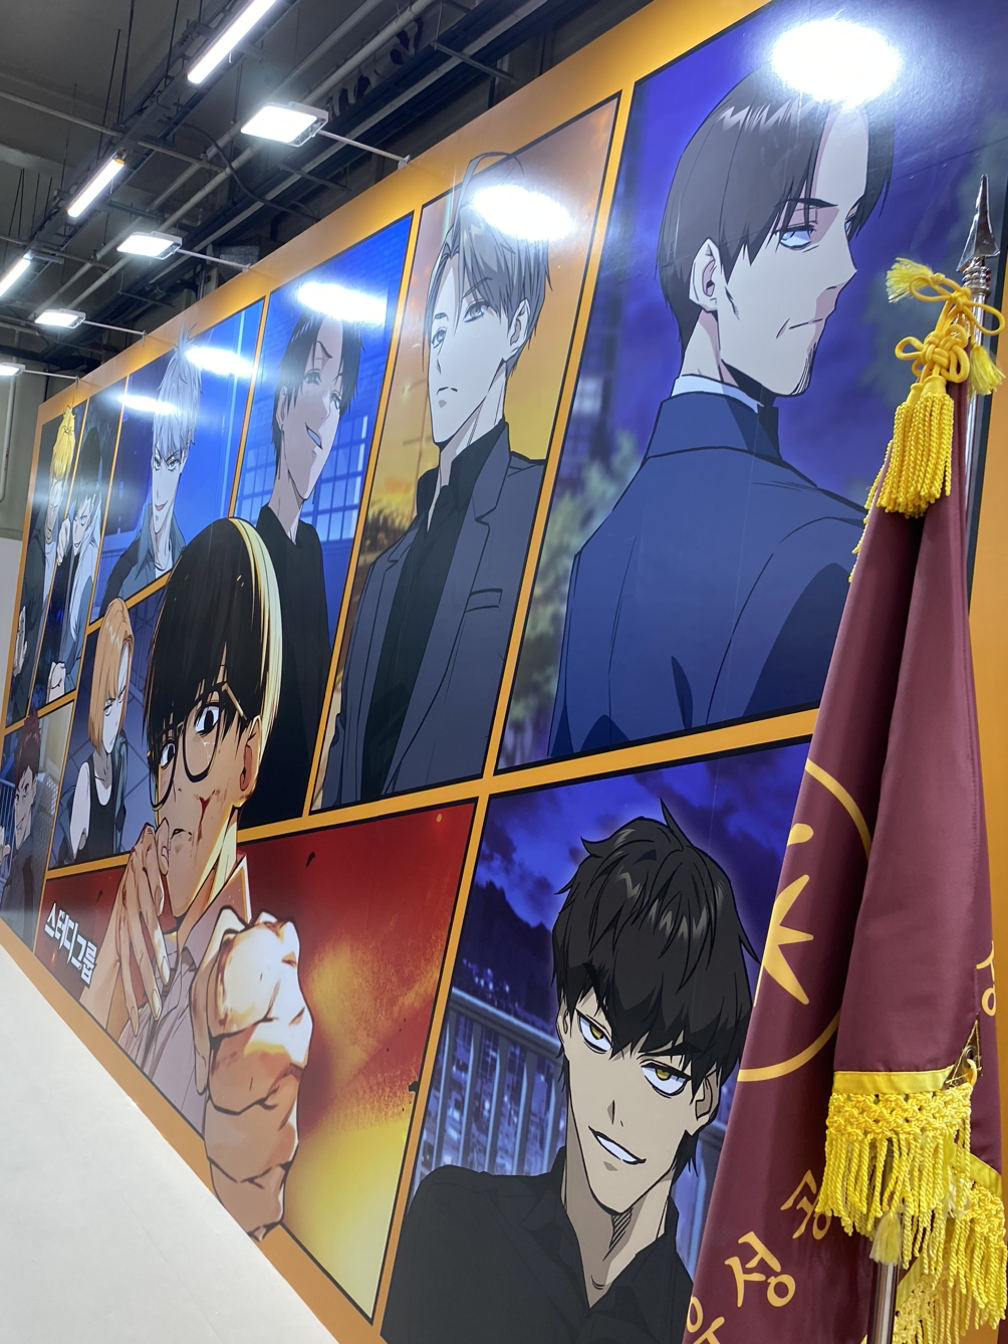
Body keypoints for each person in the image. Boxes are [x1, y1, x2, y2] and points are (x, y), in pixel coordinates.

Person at [550, 67, 895, 758]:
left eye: (851, 224)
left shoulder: (597, 557)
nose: (845, 268)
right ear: (709, 276)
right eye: (802, 228)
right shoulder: (830, 546)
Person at [384, 804, 753, 1344]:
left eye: (661, 1072)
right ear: (564, 1023)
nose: (617, 1107)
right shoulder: (452, 1222)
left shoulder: (693, 1332)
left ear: (704, 1099)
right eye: (598, 1036)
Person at [80, 518, 312, 1240]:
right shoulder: (140, 924)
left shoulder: (251, 980)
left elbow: (249, 1186)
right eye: (164, 740)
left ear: (250, 757)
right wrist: (111, 971)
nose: (174, 782)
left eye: (208, 720)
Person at [322, 153, 549, 806]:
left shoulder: (537, 513)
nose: (444, 355)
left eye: (472, 316)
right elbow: (345, 762)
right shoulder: (386, 570)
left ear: (516, 327)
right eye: (438, 329)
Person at [241, 311, 361, 828]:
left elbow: (320, 686)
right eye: (314, 379)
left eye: (336, 396)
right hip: (260, 811)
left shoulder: (310, 548)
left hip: (304, 813)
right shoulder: (250, 553)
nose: (325, 412)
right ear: (282, 404)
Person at [101, 339, 202, 609]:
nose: (159, 487)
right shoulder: (125, 572)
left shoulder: (189, 565)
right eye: (156, 462)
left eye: (171, 463)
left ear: (183, 459)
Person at [7, 407, 75, 725]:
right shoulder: (34, 554)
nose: (56, 497)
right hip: (24, 677)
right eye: (54, 486)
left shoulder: (62, 547)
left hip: (44, 675)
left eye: (63, 487)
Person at [40, 422, 108, 704]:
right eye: (78, 519)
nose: (79, 531)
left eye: (85, 522)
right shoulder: (65, 538)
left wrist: (64, 680)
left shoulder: (89, 573)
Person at [65, 599, 132, 864]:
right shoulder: (84, 778)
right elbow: (73, 867)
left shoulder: (122, 752)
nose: (115, 721)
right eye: (108, 704)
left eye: (122, 696)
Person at [0, 711, 42, 946]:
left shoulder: (27, 874)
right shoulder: (16, 859)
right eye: (17, 795)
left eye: (25, 791)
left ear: (34, 789)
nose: (18, 804)